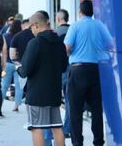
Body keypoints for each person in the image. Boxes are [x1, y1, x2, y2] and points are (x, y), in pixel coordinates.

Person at [64, 0, 113, 146]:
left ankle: (77, 143)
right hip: (97, 70)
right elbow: (110, 44)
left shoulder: (75, 26)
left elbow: (67, 48)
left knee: (75, 110)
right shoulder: (99, 25)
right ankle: (98, 142)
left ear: (80, 11)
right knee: (97, 109)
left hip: (78, 70)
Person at [16, 11, 67, 146]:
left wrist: (18, 68)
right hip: (54, 92)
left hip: (37, 95)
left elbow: (25, 70)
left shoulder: (35, 43)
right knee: (57, 127)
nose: (31, 30)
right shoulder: (59, 43)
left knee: (36, 128)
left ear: (36, 25)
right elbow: (63, 67)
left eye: (31, 27)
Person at [44, 9, 71, 146]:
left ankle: (54, 132)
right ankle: (68, 128)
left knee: (53, 105)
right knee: (69, 100)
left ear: (58, 19)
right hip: (73, 69)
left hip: (59, 71)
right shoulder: (73, 30)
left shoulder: (55, 34)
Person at [0, 20, 22, 112]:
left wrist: (3, 64)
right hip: (19, 64)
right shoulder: (21, 36)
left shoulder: (5, 36)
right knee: (18, 85)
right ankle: (16, 106)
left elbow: (4, 51)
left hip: (8, 63)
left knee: (4, 85)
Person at [9, 19, 35, 89]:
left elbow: (12, 56)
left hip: (22, 66)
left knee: (20, 89)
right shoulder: (36, 36)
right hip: (36, 67)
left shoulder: (17, 36)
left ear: (22, 26)